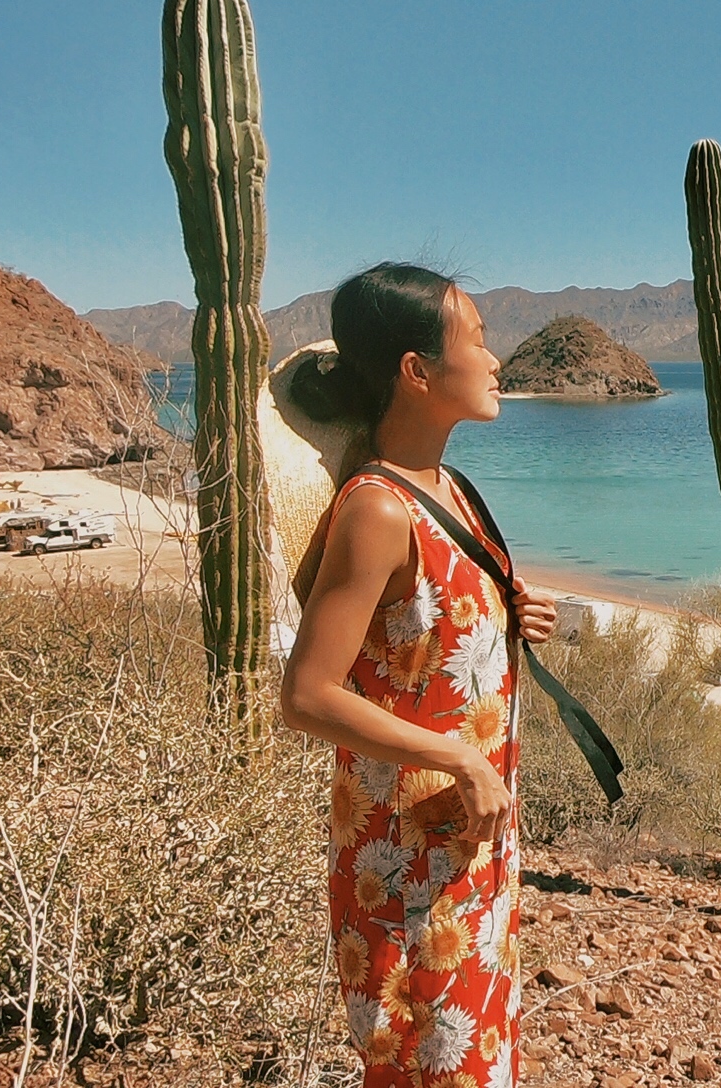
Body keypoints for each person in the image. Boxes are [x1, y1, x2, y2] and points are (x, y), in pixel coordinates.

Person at [279, 263, 557, 1088]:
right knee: (426, 1070)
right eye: (476, 339)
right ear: (418, 370)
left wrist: (513, 618)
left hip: (468, 851)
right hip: (403, 868)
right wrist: (461, 758)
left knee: (477, 1062)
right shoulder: (376, 509)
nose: (495, 357)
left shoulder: (452, 491)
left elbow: (426, 634)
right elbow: (307, 694)